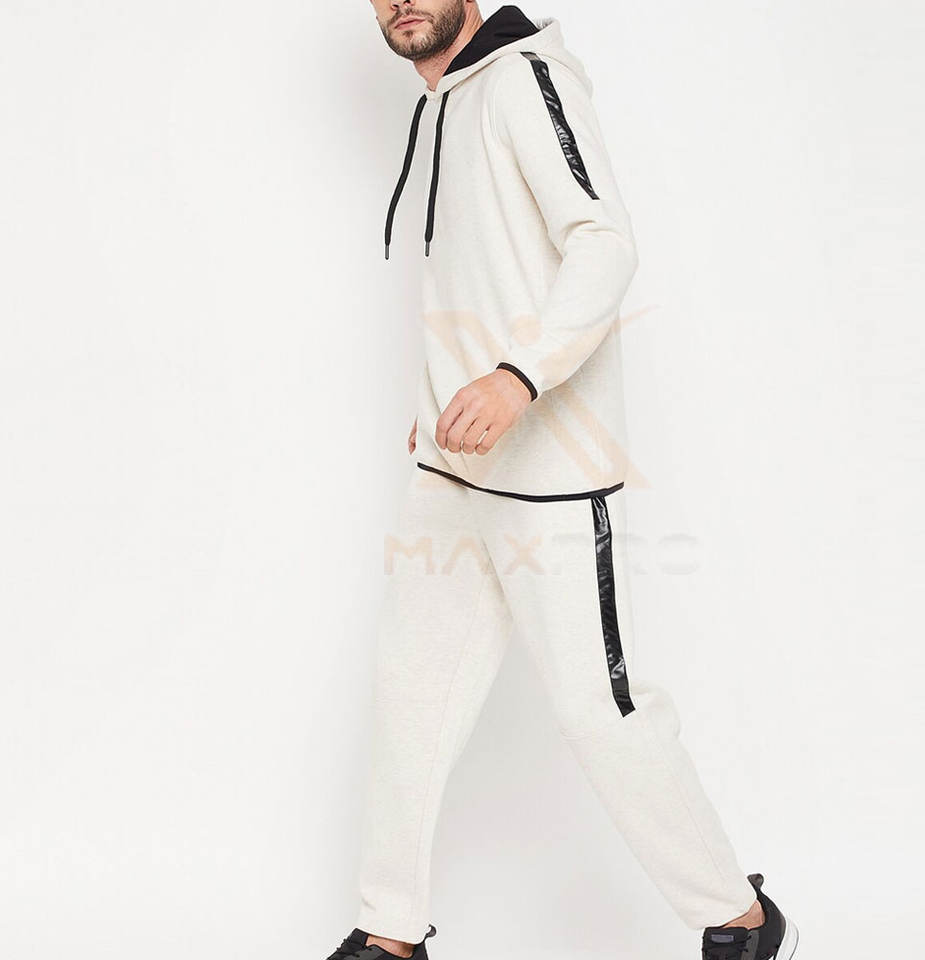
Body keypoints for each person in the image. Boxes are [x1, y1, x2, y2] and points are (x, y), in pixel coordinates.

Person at [328, 4, 798, 959]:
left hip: (546, 470)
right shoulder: (443, 104)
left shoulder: (524, 77)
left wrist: (516, 378)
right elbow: (480, 271)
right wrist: (440, 394)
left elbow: (603, 241)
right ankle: (390, 933)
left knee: (598, 708)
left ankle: (742, 918)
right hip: (450, 470)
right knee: (411, 698)